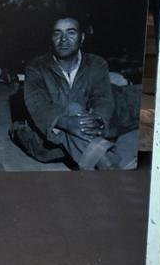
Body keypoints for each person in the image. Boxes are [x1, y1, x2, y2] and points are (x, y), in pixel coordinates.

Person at [11, 15, 121, 170]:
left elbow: (102, 98)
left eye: (71, 33)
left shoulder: (97, 64)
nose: (63, 39)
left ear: (82, 38)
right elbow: (38, 105)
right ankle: (110, 168)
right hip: (48, 141)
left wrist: (98, 118)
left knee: (76, 108)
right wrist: (65, 122)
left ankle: (105, 165)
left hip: (87, 131)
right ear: (51, 38)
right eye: (57, 33)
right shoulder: (36, 67)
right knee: (73, 108)